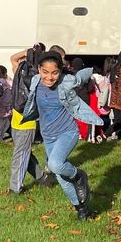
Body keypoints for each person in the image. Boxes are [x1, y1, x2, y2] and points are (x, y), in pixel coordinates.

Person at [20, 52, 101, 220]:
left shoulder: (66, 81)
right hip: (48, 136)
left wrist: (92, 69)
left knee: (55, 164)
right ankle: (82, 209)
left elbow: (80, 78)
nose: (49, 77)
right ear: (39, 70)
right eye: (45, 72)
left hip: (67, 132)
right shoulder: (35, 81)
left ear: (60, 71)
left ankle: (79, 175)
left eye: (54, 72)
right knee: (61, 177)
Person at [8, 45, 54, 194]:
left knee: (20, 154)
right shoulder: (39, 75)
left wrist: (27, 52)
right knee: (23, 152)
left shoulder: (19, 69)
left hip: (19, 119)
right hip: (26, 120)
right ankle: (41, 177)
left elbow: (13, 58)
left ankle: (15, 188)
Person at [0, 65, 13, 143]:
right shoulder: (5, 81)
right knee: (4, 122)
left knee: (2, 121)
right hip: (5, 104)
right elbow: (12, 85)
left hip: (1, 104)